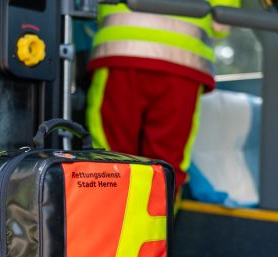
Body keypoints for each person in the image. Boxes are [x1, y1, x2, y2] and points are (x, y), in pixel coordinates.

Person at [86, 1, 240, 193]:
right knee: (166, 166)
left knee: (109, 159)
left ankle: (107, 220)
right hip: (184, 59)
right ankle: (156, 222)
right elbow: (222, 22)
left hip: (122, 46)